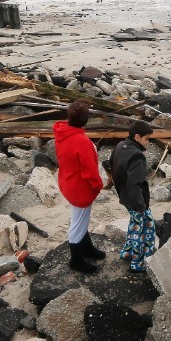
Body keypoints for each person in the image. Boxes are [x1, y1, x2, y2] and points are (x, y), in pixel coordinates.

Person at [53, 99, 105, 273]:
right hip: (80, 188)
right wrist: (98, 185)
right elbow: (89, 171)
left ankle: (87, 247)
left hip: (68, 181)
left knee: (81, 219)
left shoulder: (62, 133)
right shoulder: (80, 141)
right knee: (78, 223)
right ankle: (76, 259)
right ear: (86, 120)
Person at [110, 121, 155, 272]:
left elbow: (109, 164)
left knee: (139, 224)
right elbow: (135, 184)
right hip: (136, 200)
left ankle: (127, 252)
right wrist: (141, 206)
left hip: (125, 196)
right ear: (137, 137)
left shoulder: (120, 146)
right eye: (147, 139)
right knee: (143, 229)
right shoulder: (137, 157)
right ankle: (138, 263)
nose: (148, 143)